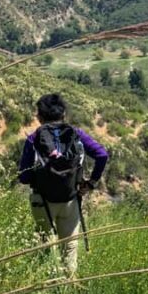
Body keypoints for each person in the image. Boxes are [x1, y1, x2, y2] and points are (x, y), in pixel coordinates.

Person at [18, 93, 108, 276]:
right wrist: (90, 184)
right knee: (70, 248)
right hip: (70, 199)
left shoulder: (33, 138)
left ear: (39, 116)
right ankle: (67, 287)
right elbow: (102, 155)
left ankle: (44, 285)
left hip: (42, 200)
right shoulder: (77, 134)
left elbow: (24, 177)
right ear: (64, 114)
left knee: (45, 246)